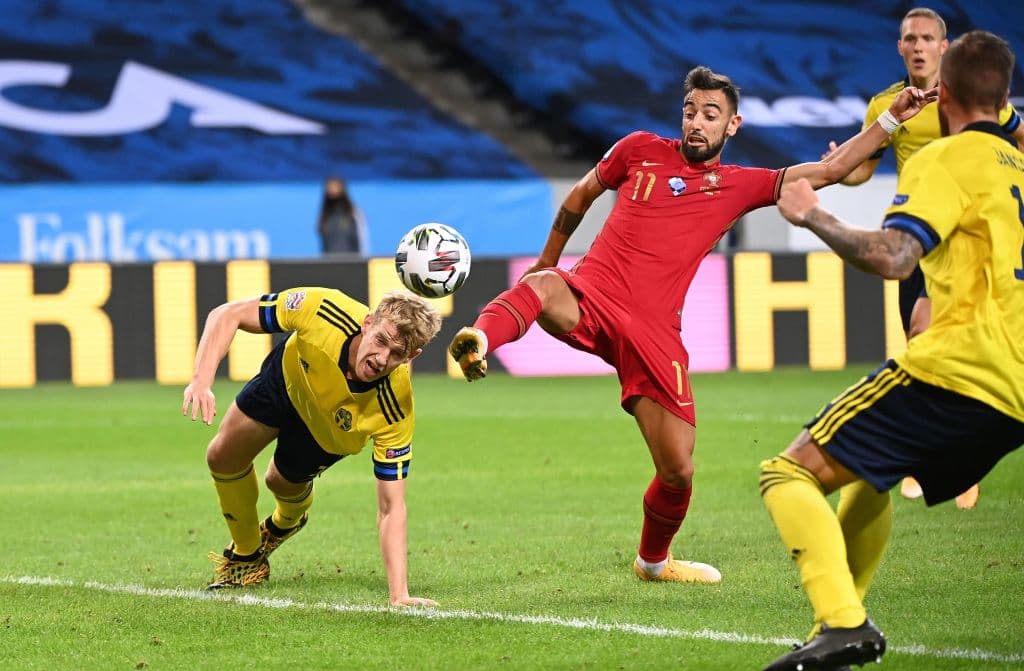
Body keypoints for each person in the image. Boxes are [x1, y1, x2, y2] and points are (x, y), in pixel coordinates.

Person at [448, 66, 934, 585]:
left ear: (733, 126)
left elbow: (832, 168)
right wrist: (548, 262)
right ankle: (479, 337)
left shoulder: (741, 184)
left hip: (655, 334)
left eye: (710, 115)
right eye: (690, 112)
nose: (697, 123)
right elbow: (580, 196)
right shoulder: (637, 149)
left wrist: (888, 119)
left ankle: (653, 563)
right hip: (592, 295)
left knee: (678, 470)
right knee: (542, 288)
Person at [759, 30, 1024, 671]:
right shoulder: (1017, 165)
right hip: (1016, 389)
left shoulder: (944, 157)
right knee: (868, 472)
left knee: (786, 472)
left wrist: (812, 215)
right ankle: (835, 637)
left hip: (959, 369)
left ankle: (844, 621)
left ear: (947, 95)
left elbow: (892, 258)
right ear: (1004, 96)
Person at [828, 7, 1024, 508]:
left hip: (968, 240)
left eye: (927, 39)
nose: (918, 46)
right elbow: (860, 172)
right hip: (918, 233)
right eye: (909, 38)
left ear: (945, 47)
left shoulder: (975, 97)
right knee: (918, 335)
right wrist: (843, 164)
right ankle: (937, 457)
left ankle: (959, 461)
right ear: (900, 47)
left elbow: (1016, 139)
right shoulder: (888, 105)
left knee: (946, 333)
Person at [182, 286, 442, 606]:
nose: (381, 358)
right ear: (368, 322)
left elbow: (392, 507)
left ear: (412, 357)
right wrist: (201, 380)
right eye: (381, 341)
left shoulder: (394, 407)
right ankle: (246, 558)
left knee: (278, 481)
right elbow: (227, 314)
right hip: (288, 379)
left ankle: (288, 519)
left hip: (326, 432)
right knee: (221, 456)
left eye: (398, 354)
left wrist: (398, 594)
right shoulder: (322, 308)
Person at [317, 176, 368, 254]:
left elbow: (361, 240)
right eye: (329, 187)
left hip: (351, 262)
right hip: (330, 263)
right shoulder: (325, 216)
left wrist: (360, 262)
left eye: (336, 186)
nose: (333, 190)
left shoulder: (353, 212)